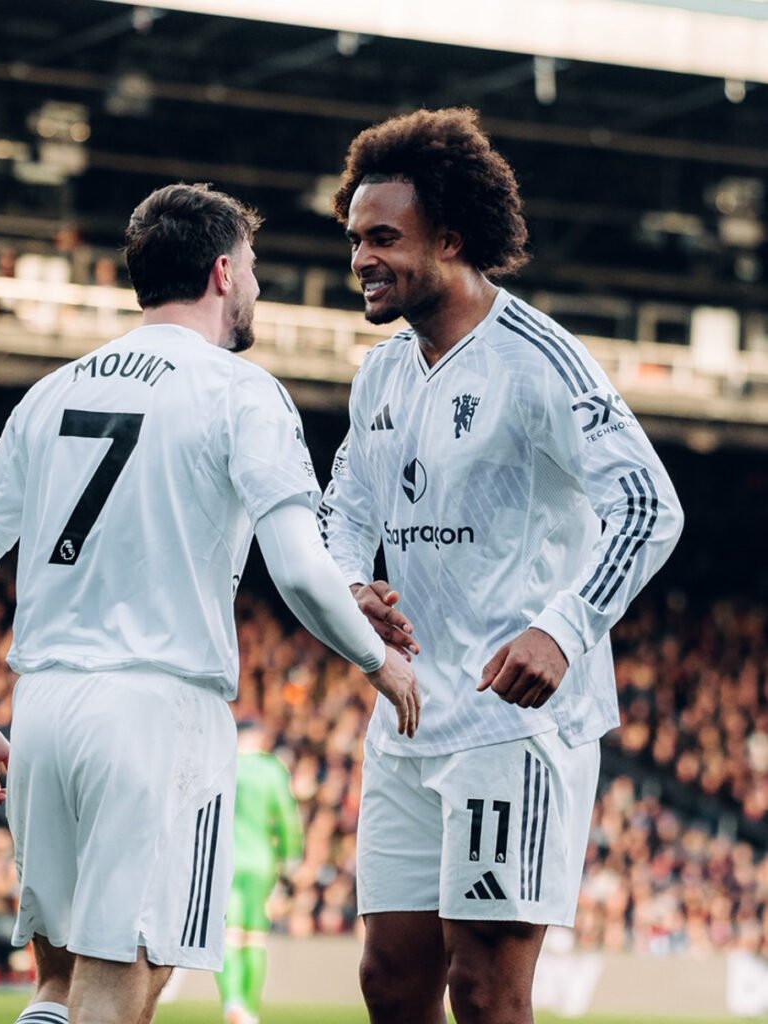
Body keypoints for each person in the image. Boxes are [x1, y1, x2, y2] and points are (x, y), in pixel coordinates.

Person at [0, 182, 418, 1024]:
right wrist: (381, 664)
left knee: (58, 982)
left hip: (42, 706)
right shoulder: (239, 391)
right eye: (255, 269)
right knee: (124, 989)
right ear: (224, 272)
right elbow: (297, 570)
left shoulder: (50, 394)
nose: (256, 287)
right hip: (160, 712)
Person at [319, 108, 684, 1024]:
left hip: (511, 724)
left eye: (382, 238)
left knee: (482, 987)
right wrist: (348, 588)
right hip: (406, 711)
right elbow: (346, 508)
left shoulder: (540, 362)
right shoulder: (381, 373)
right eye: (354, 238)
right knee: (389, 982)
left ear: (450, 238)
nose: (359, 257)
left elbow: (647, 506)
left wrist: (561, 630)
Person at [215, 719, 303, 1024]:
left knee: (229, 936)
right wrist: (290, 861)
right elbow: (288, 819)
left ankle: (233, 1003)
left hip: (225, 860)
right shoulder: (272, 770)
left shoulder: (222, 764)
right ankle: (251, 1011)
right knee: (254, 937)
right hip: (261, 862)